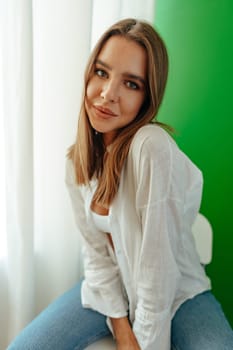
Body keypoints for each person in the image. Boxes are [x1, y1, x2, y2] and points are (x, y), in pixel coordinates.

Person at [7, 18, 233, 350]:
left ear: (148, 97)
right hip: (111, 290)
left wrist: (143, 343)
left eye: (131, 84)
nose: (108, 94)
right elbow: (97, 257)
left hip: (179, 294)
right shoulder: (77, 164)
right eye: (102, 72)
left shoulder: (151, 147)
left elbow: (158, 274)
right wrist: (121, 327)